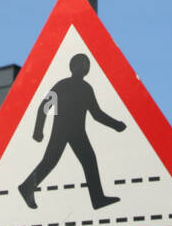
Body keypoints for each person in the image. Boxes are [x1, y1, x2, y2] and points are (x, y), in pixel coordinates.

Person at [18, 53, 126, 210]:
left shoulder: (86, 89)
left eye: (86, 64)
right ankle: (27, 186)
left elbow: (96, 114)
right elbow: (44, 107)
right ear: (72, 66)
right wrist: (38, 131)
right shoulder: (61, 85)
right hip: (61, 129)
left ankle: (97, 198)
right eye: (80, 64)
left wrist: (116, 125)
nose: (84, 67)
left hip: (77, 132)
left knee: (89, 161)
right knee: (50, 161)